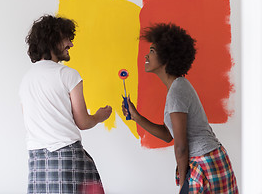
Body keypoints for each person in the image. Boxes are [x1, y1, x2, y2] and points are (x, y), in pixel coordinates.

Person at [122, 23, 238, 193]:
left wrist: (184, 185)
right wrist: (136, 117)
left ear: (166, 58)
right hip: (207, 160)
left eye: (152, 51)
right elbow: (169, 135)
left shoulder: (177, 91)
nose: (146, 55)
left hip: (206, 163)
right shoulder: (177, 88)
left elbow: (181, 146)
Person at [20, 15, 112, 194]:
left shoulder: (26, 79)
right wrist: (100, 116)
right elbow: (83, 122)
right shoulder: (68, 74)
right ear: (52, 40)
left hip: (37, 158)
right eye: (67, 39)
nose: (71, 44)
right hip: (66, 157)